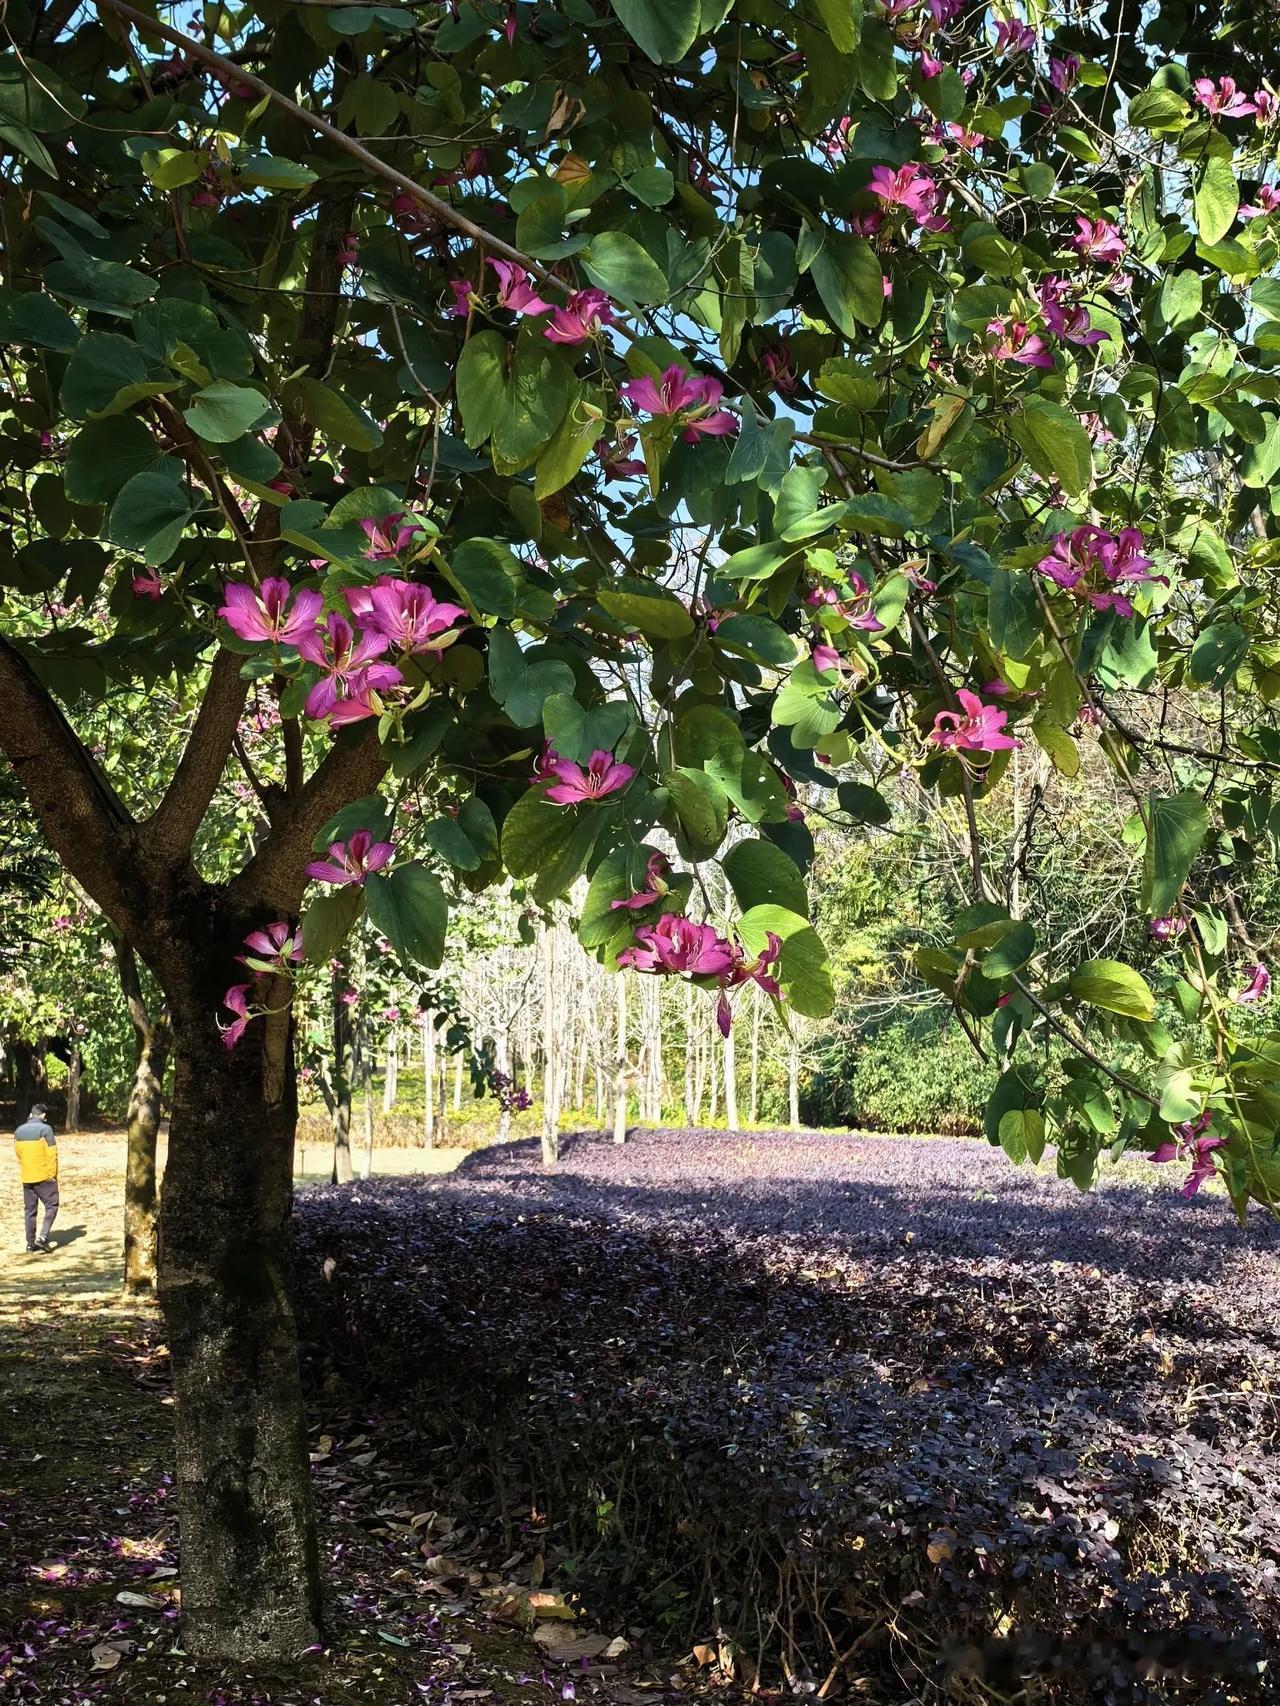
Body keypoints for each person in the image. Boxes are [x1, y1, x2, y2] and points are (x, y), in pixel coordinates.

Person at [14, 1102, 58, 1253]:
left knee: (30, 1211)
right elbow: (51, 1155)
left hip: (27, 1177)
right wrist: (52, 1175)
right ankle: (43, 1237)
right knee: (52, 1205)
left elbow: (18, 1153)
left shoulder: (18, 1131)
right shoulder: (46, 1130)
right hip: (44, 1176)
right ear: (43, 1115)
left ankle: (29, 1244)